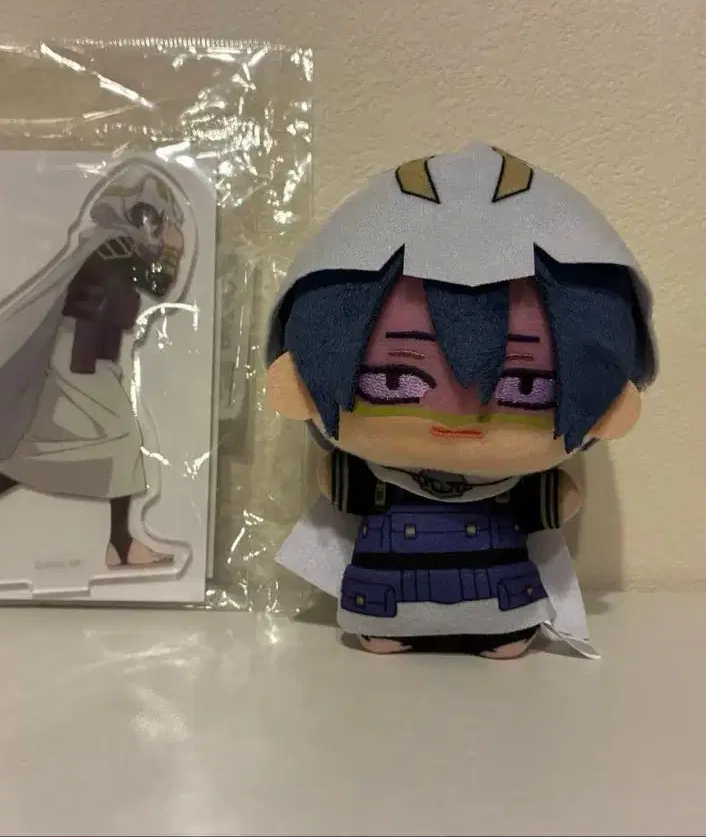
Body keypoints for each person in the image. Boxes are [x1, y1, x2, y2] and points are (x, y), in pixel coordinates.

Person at [265, 143, 657, 658]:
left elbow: (553, 501)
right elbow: (339, 483)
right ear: (295, 382)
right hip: (383, 596)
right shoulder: (374, 483)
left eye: (524, 387)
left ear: (613, 406)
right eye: (394, 381)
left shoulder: (509, 489)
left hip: (501, 596)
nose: (454, 420)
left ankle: (501, 631)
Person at [0, 164, 189, 569]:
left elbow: (147, 285)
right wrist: (172, 250)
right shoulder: (112, 247)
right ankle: (119, 545)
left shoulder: (109, 244)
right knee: (123, 442)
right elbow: (157, 283)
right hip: (80, 356)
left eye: (156, 220)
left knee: (50, 445)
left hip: (91, 354)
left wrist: (166, 249)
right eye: (150, 218)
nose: (154, 227)